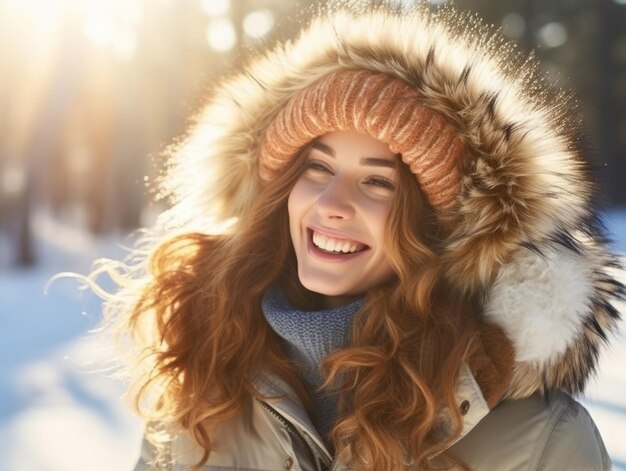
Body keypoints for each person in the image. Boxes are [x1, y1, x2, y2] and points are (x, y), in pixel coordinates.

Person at [95, 2, 624, 470]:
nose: (330, 205)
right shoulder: (205, 377)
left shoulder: (543, 443)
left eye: (377, 182)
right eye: (317, 169)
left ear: (438, 228)